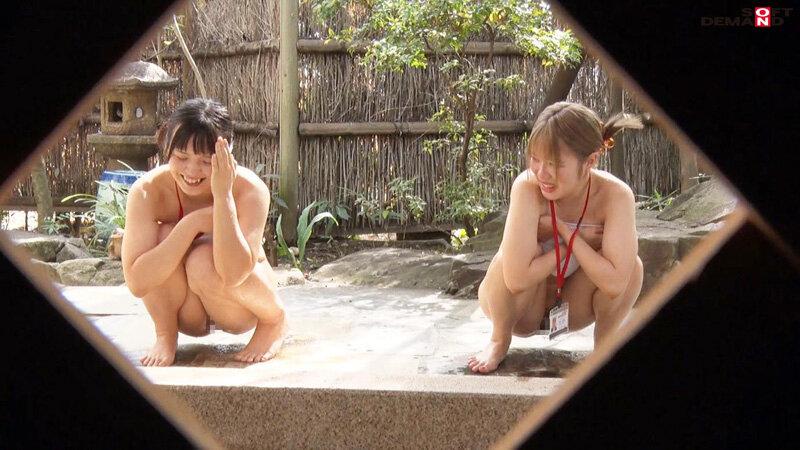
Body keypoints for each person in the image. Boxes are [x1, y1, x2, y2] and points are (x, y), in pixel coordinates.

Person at [468, 101, 645, 374]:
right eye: (536, 159)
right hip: (520, 311)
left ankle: (605, 347)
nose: (542, 173)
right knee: (507, 259)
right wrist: (571, 246)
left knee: (633, 267)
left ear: (590, 161)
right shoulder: (527, 187)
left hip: (574, 308)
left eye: (555, 164)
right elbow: (515, 278)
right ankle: (498, 340)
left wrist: (565, 231)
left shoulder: (616, 196)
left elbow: (616, 282)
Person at [121, 98, 285, 366]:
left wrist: (223, 197)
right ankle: (165, 334)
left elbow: (234, 273)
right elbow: (138, 282)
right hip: (187, 314)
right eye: (181, 157)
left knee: (201, 260)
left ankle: (274, 320)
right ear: (166, 148)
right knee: (165, 237)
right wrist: (192, 224)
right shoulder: (147, 192)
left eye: (206, 161)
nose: (192, 171)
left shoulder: (249, 190)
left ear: (227, 154)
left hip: (238, 307)